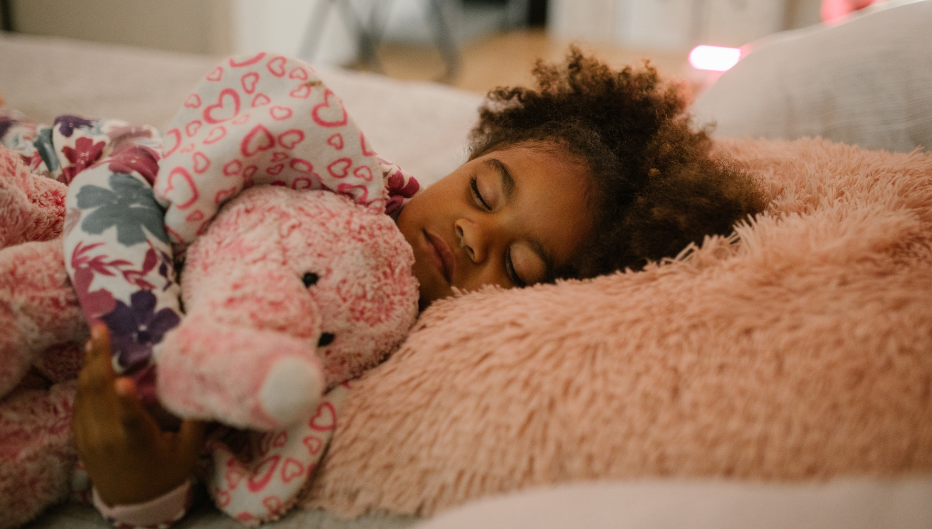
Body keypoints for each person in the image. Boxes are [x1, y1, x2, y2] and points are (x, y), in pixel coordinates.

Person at [9, 47, 766, 525]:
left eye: (515, 267)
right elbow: (144, 168)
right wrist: (150, 353)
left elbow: (235, 438)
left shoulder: (375, 349)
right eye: (482, 191)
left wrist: (146, 495)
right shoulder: (338, 177)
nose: (474, 235)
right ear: (466, 161)